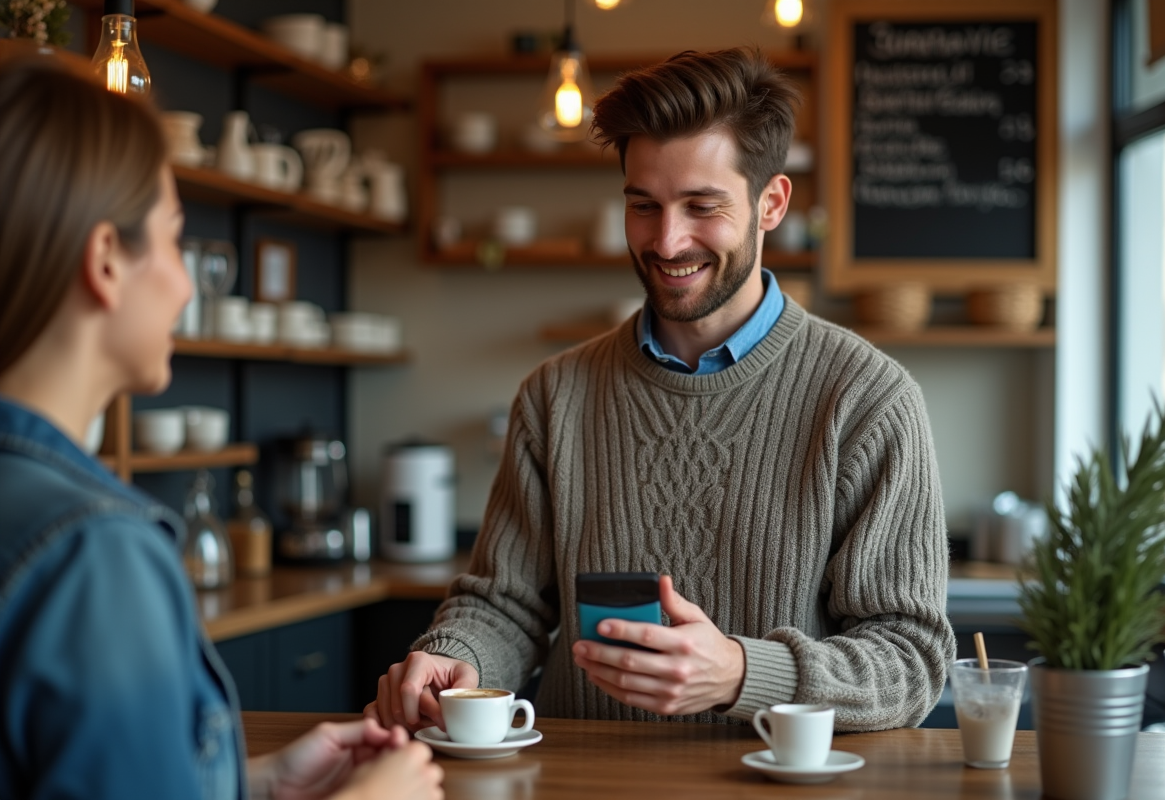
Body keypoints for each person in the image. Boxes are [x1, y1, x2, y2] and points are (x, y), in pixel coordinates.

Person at [367, 47, 955, 733]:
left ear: (771, 203)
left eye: (702, 206)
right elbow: (505, 606)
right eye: (644, 206)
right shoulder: (555, 396)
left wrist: (741, 672)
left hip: (765, 780)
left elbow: (910, 661)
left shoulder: (868, 400)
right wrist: (456, 656)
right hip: (576, 779)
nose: (668, 241)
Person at [0, 59, 443, 800]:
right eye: (175, 241)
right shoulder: (93, 555)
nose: (185, 287)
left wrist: (253, 782)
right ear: (105, 261)